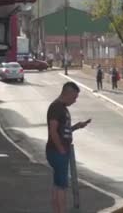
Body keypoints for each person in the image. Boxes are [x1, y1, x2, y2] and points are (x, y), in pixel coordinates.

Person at [46, 82, 91, 213]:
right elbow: (53, 131)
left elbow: (62, 131)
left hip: (58, 151)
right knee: (61, 187)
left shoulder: (62, 108)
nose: (75, 100)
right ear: (68, 93)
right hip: (57, 152)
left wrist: (77, 126)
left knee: (57, 185)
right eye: (74, 97)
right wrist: (61, 149)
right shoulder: (56, 108)